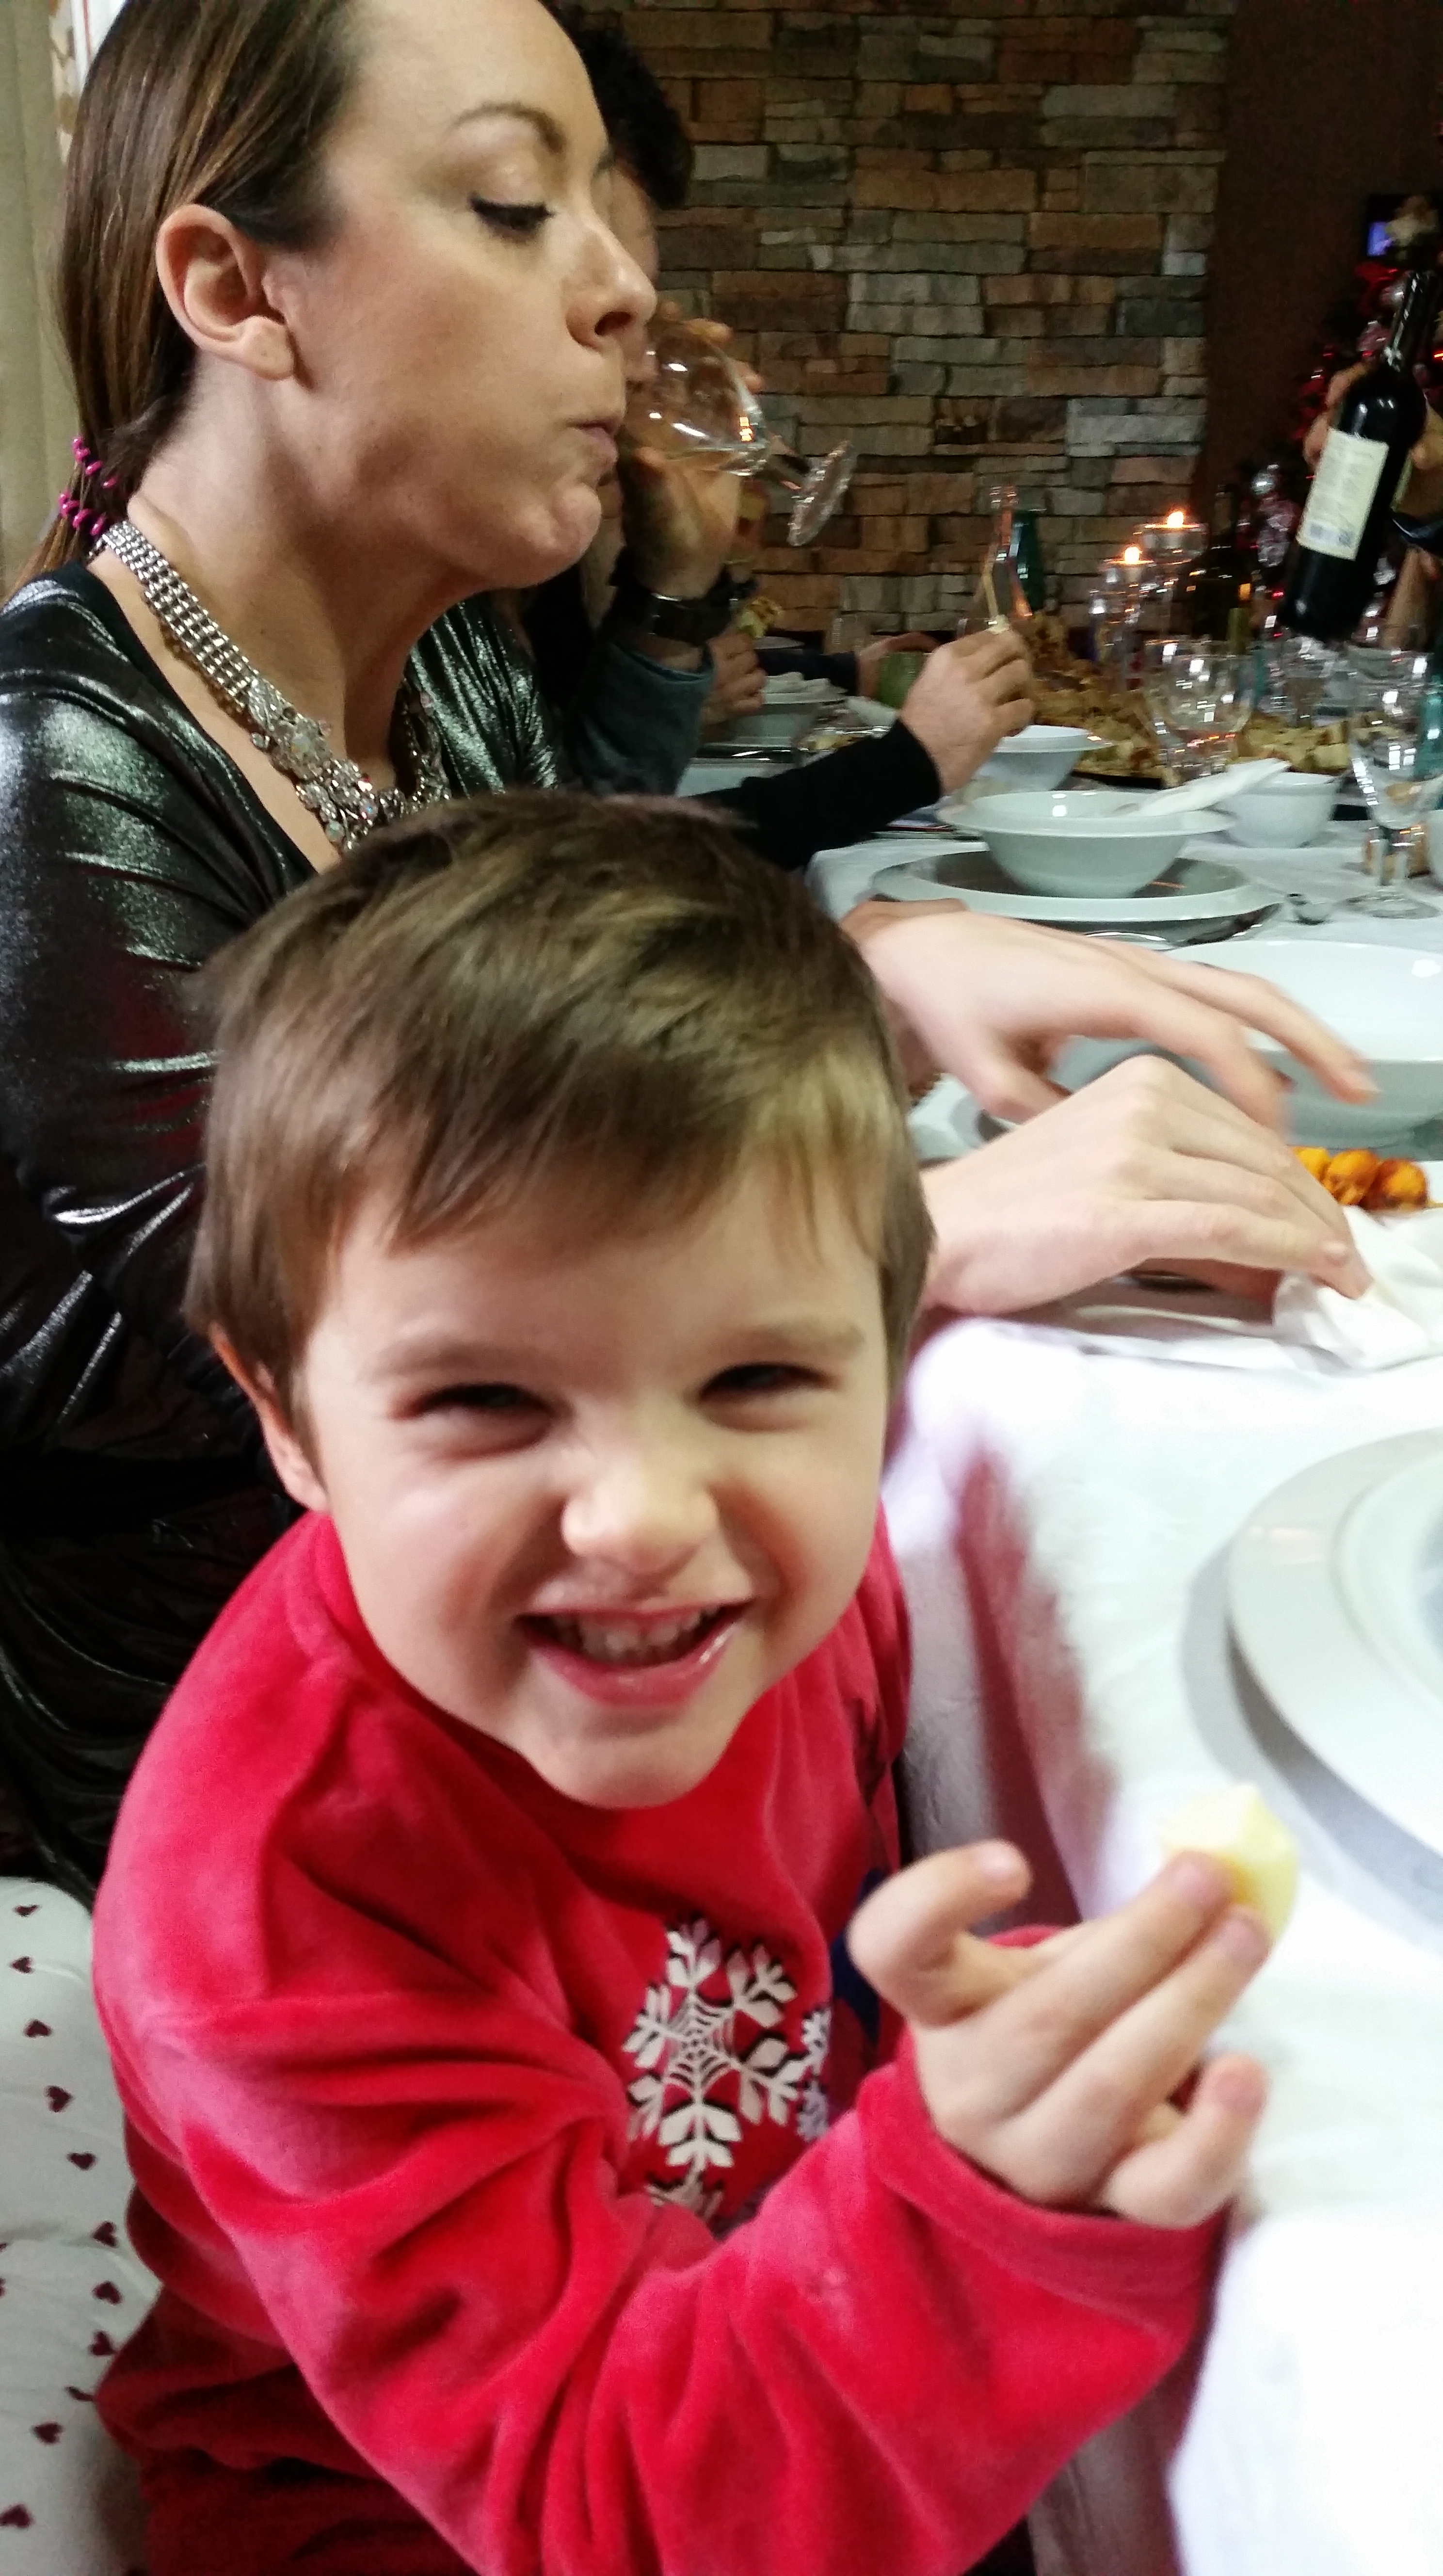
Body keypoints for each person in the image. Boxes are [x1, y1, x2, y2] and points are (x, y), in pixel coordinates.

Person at [0, 0, 1369, 1896]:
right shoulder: (52, 756)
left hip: (550, 1668)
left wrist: (876, 973)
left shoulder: (451, 666)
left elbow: (552, 1056)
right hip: (265, 1807)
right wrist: (900, 1243)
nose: (627, 290)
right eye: (513, 203)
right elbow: (327, 1358)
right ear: (238, 289)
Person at [93, 792, 1274, 2576]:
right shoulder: (282, 1902)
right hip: (404, 2517)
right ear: (289, 1419)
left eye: (755, 1383)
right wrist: (982, 2206)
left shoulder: (773, 1578)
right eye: (483, 1400)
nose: (645, 1519)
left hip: (773, 2315)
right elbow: (612, 2515)